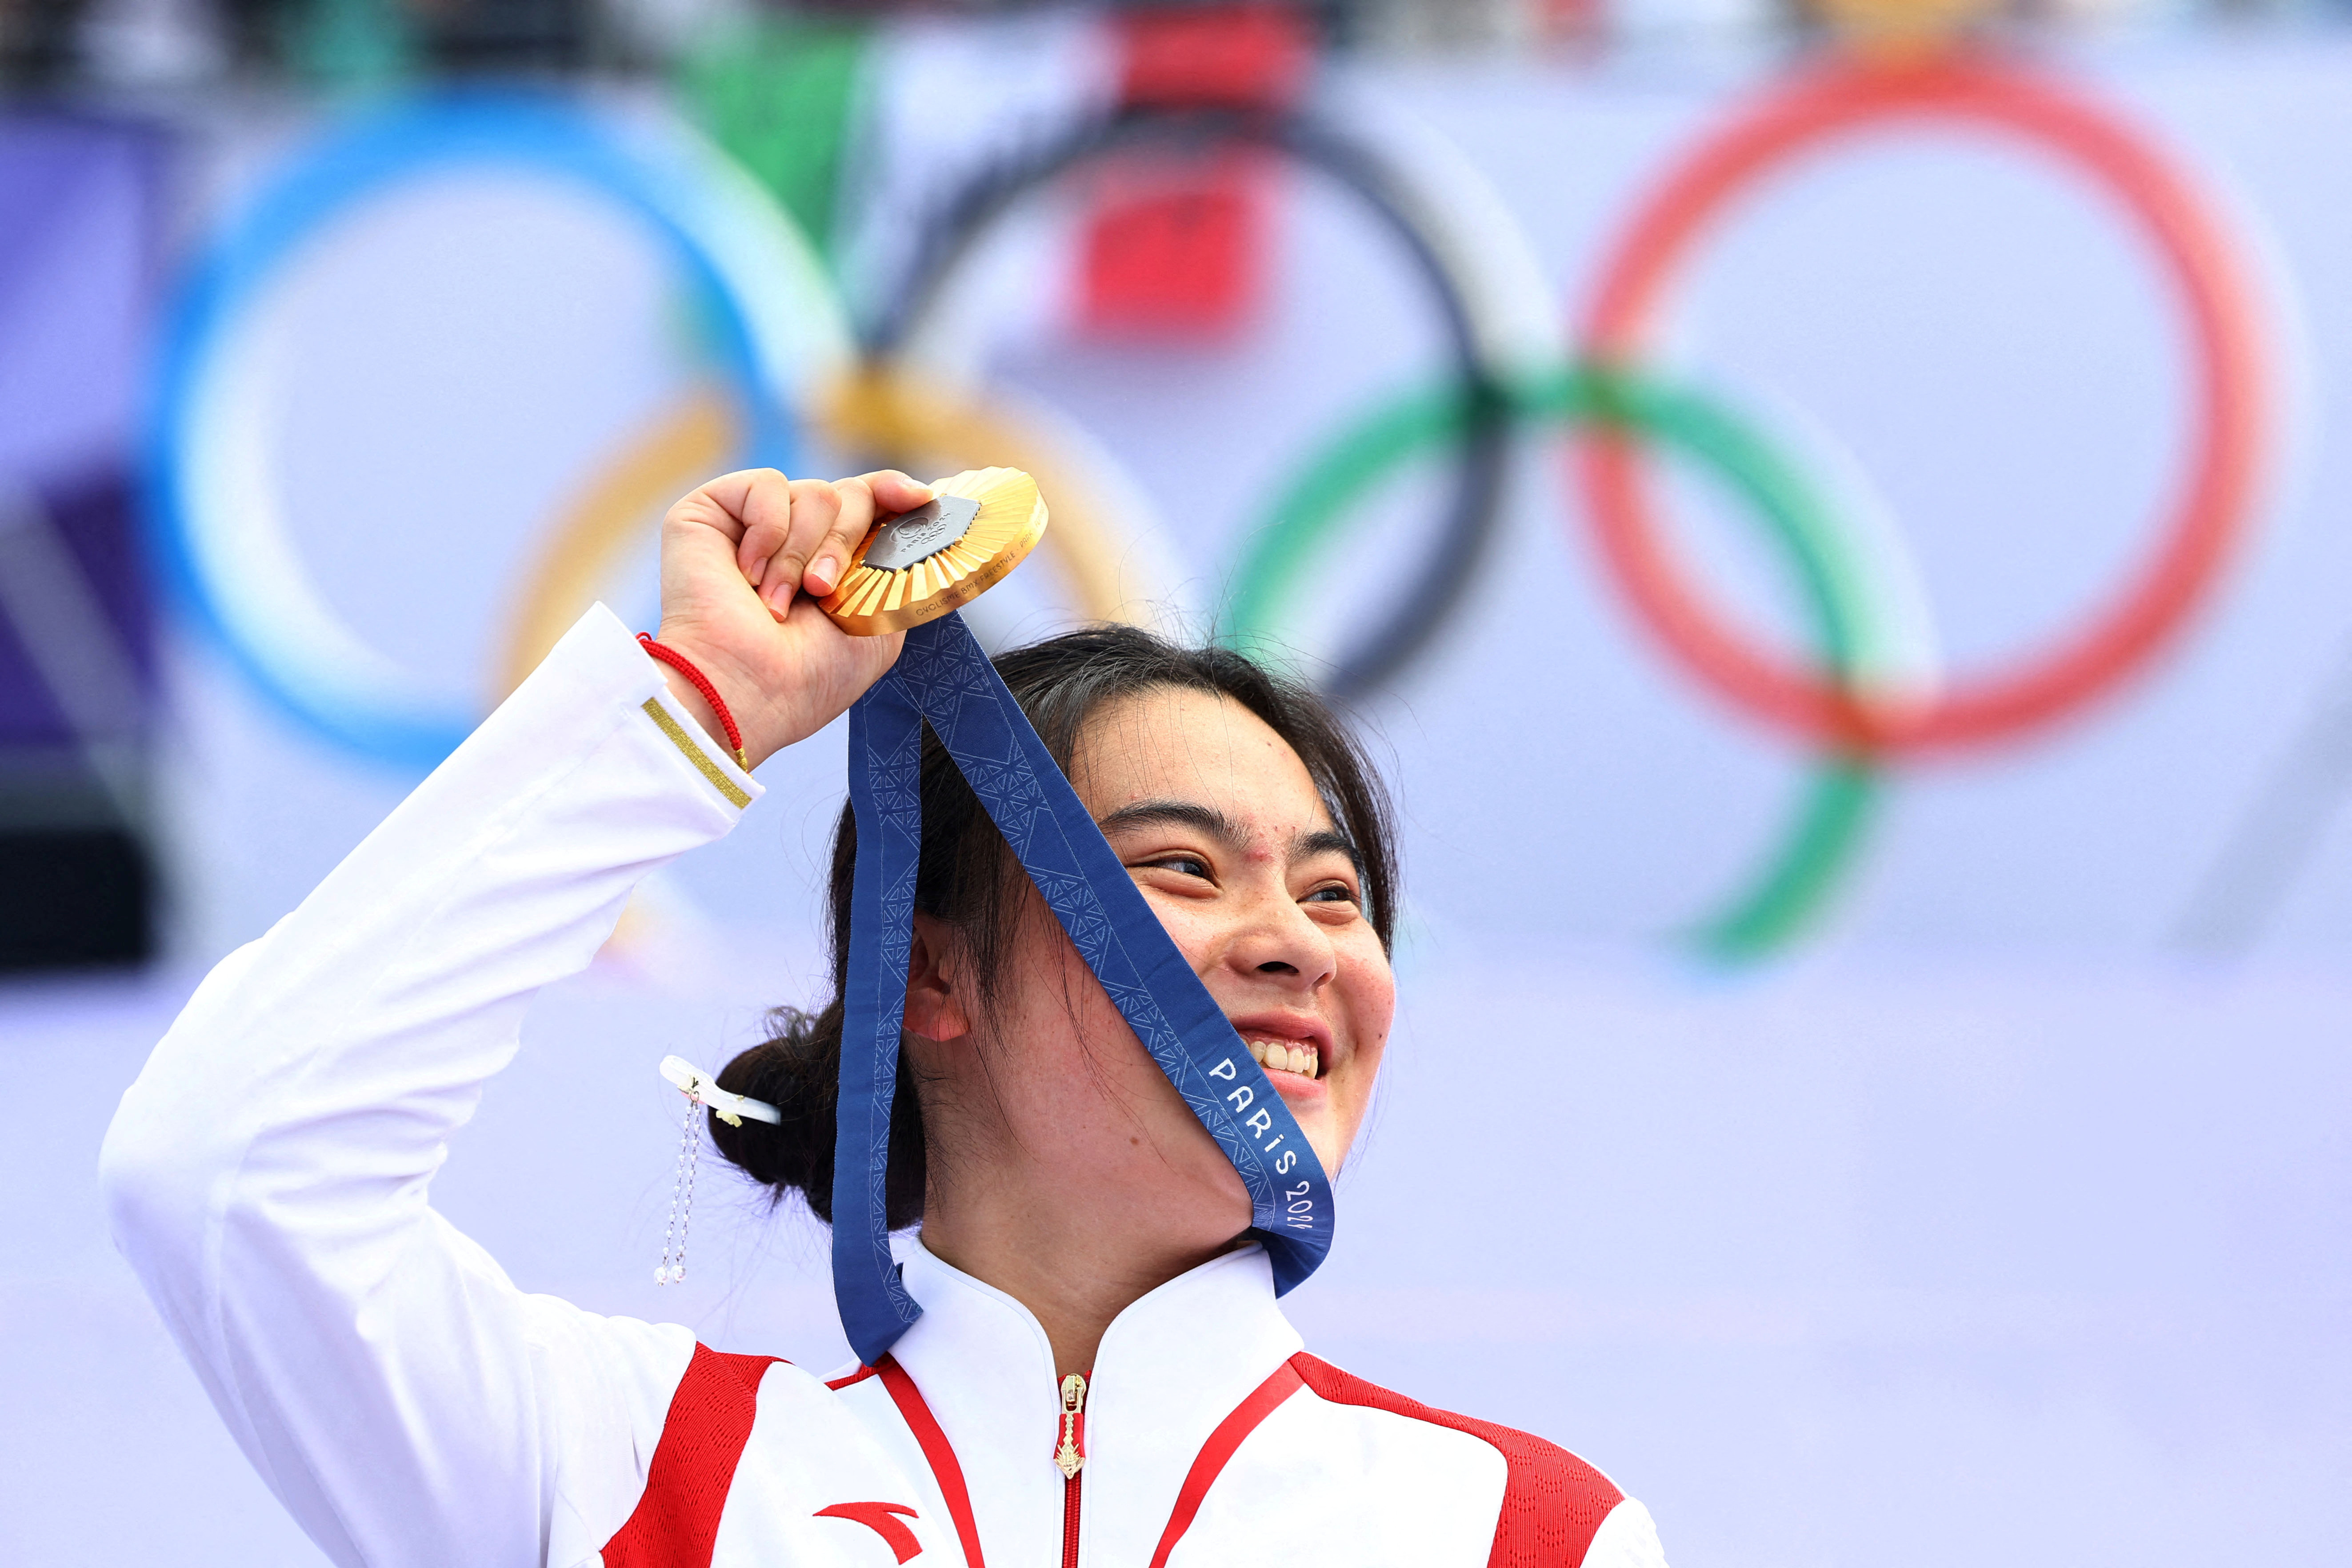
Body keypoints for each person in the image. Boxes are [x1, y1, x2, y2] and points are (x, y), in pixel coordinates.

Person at [102, 469, 1668, 1568]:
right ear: (933, 979)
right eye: (1183, 870)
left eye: (1335, 898)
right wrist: (694, 709)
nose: (1295, 945)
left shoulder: (1518, 1536)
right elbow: (229, 1168)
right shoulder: (639, 1480)